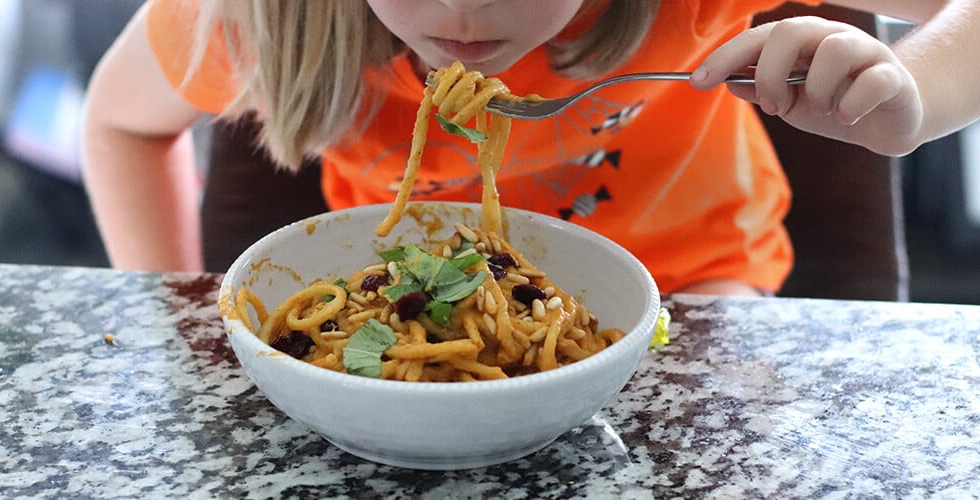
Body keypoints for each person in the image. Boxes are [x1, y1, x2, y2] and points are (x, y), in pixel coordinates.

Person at [81, 0, 980, 296]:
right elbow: (120, 123)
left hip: (700, 284)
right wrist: (186, 326)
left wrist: (914, 100)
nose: (464, 13)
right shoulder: (254, 21)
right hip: (404, 291)